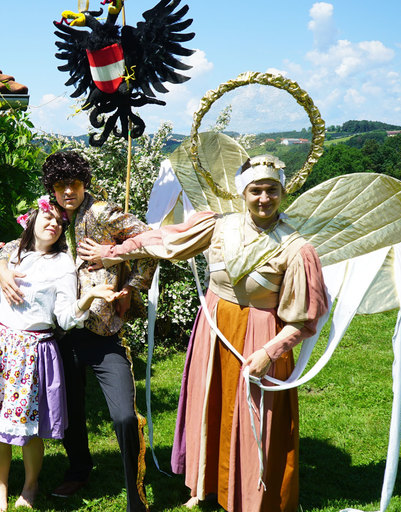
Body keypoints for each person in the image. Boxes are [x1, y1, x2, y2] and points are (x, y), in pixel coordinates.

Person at [78, 155, 329, 512]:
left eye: (271, 190)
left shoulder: (297, 248)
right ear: (243, 192)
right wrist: (114, 253)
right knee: (208, 404)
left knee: (253, 415)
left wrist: (269, 353)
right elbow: (164, 241)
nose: (263, 198)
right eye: (255, 190)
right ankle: (203, 484)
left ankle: (250, 496)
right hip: (214, 330)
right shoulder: (219, 226)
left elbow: (305, 320)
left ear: (283, 192)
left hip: (260, 337)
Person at [0, 151, 157, 512]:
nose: (68, 191)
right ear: (52, 188)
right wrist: (3, 265)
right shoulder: (54, 215)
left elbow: (151, 242)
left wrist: (122, 268)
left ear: (85, 183)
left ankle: (136, 498)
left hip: (103, 333)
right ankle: (79, 469)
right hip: (59, 336)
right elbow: (18, 242)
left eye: (74, 184)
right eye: (60, 185)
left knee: (124, 416)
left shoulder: (102, 212)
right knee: (70, 411)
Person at [0, 196, 117, 511]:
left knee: (28, 426)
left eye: (59, 222)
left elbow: (63, 317)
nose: (54, 224)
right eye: (47, 217)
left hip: (33, 350)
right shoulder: (13, 252)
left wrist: (88, 298)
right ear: (30, 221)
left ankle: (31, 487)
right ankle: (0, 490)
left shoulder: (62, 264)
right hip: (0, 345)